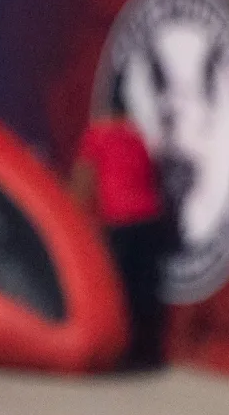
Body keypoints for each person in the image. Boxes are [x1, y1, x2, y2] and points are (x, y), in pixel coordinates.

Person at [71, 106, 166, 370]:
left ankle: (121, 353)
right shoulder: (138, 137)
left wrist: (71, 217)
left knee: (120, 290)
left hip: (120, 220)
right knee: (144, 290)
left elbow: (83, 179)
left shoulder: (97, 134)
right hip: (148, 218)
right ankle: (148, 353)